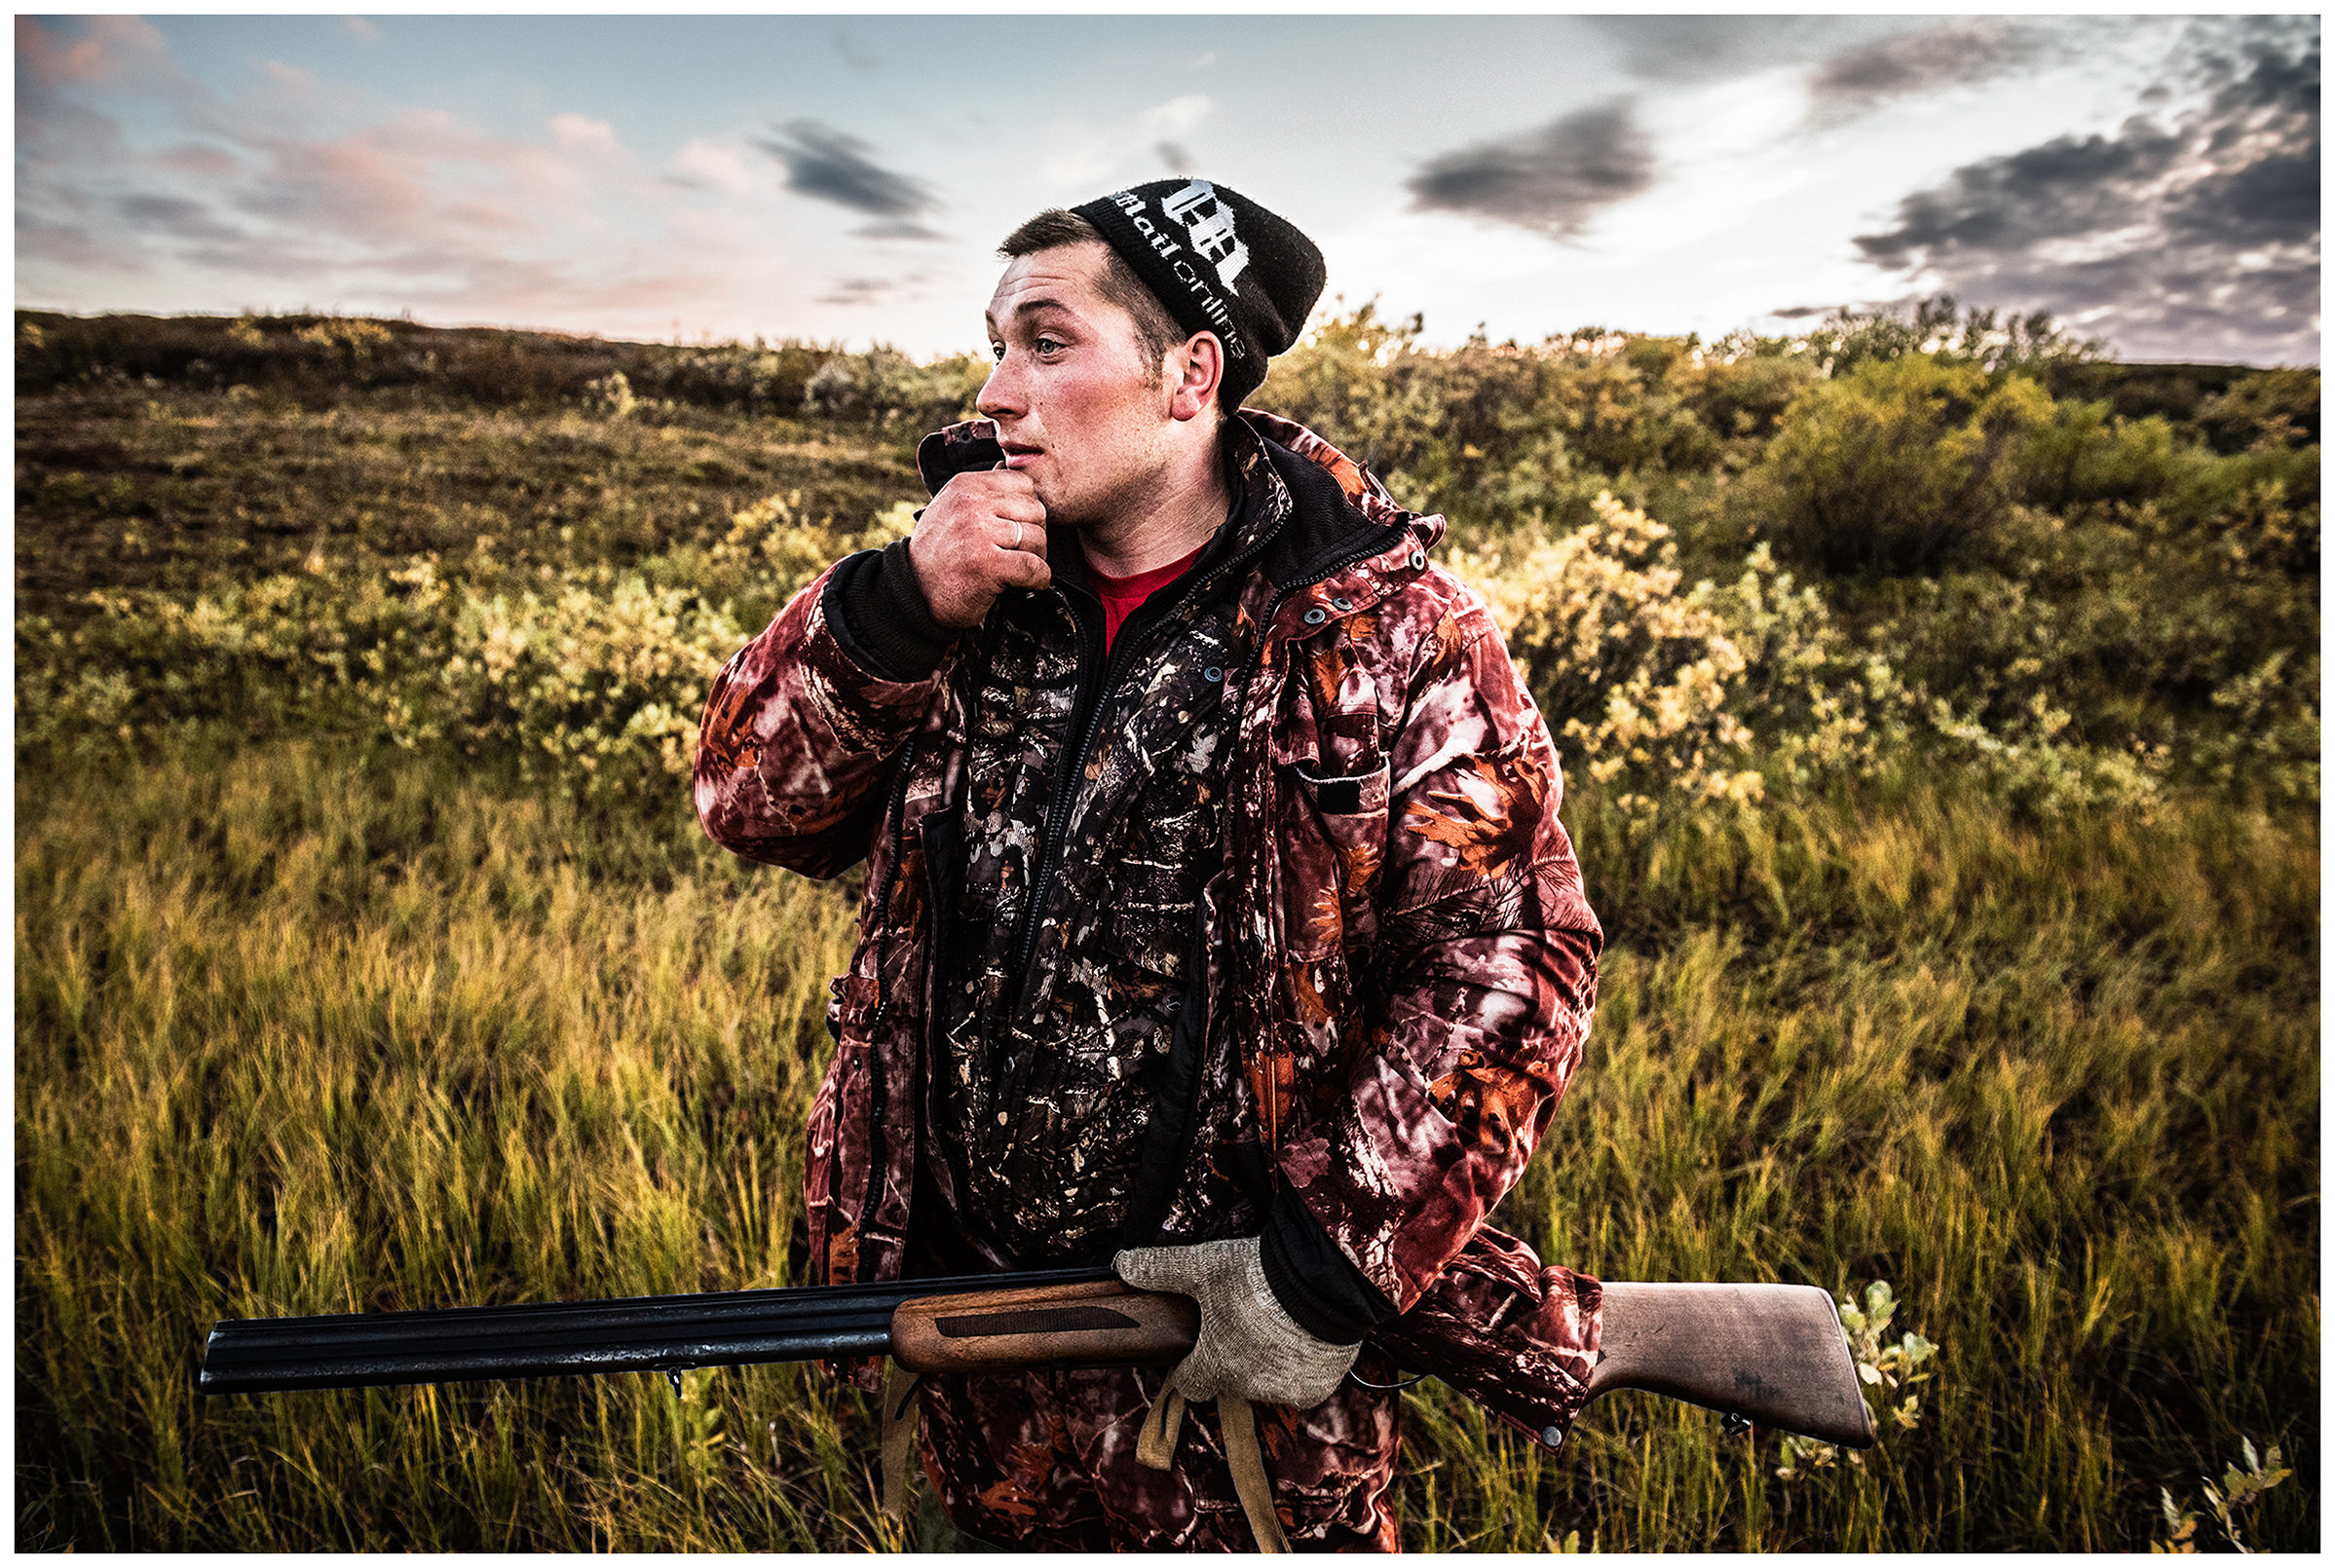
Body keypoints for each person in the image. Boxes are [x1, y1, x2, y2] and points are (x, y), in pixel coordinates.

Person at [694, 178, 1604, 1551]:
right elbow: (751, 806)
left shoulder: (1388, 630)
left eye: (1045, 342)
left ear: (1190, 376)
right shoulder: (957, 590)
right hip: (974, 1349)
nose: (994, 391)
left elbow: (1511, 965)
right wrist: (892, 606)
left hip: (1236, 1367)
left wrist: (1318, 1274)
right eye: (993, 340)